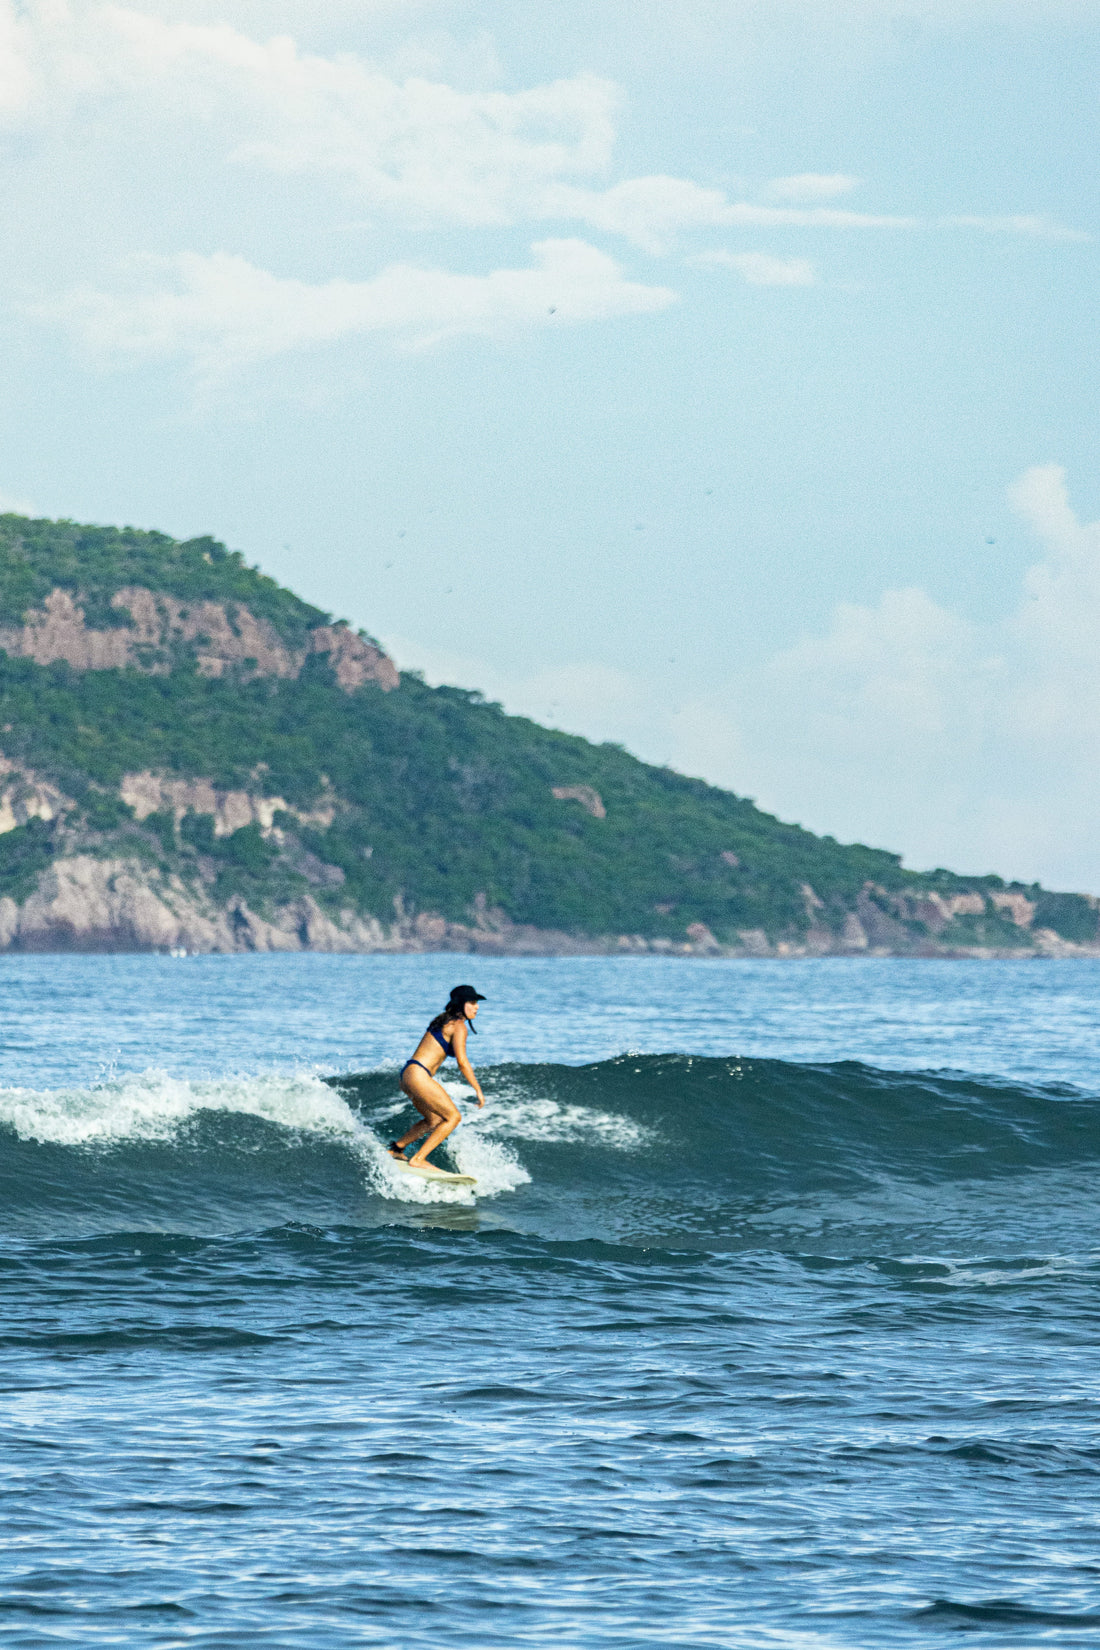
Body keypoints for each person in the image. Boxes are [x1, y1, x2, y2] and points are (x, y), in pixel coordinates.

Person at [388, 985, 487, 1168]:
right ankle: (418, 1159)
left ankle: (396, 1148)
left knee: (433, 1120)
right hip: (418, 1074)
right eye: (472, 1002)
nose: (477, 1007)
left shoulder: (442, 1020)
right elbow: (462, 1062)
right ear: (461, 1004)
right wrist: (478, 1091)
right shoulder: (459, 1026)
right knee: (453, 1117)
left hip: (408, 1074)